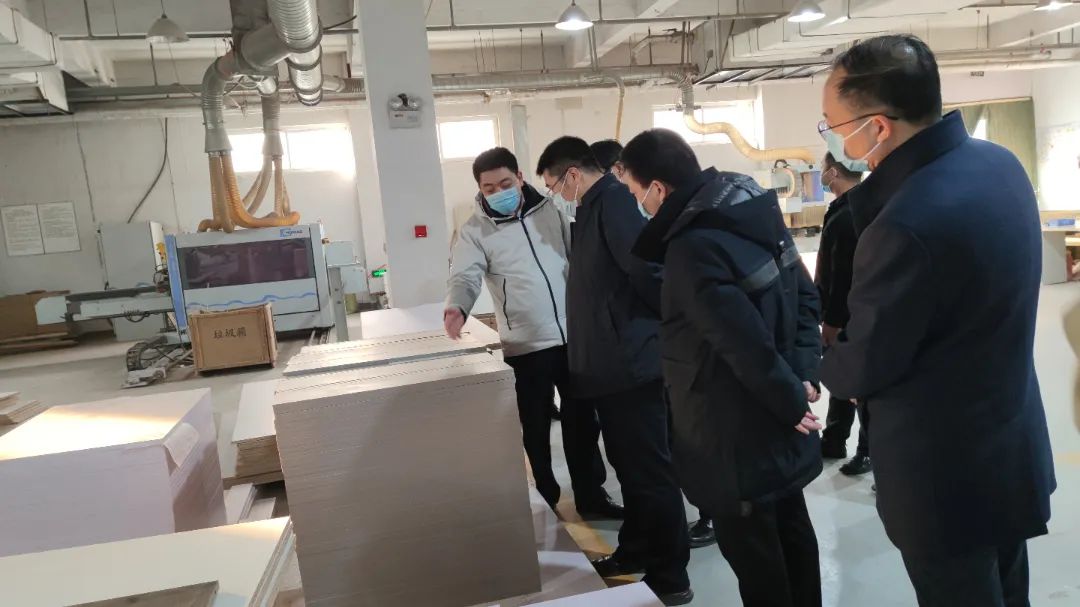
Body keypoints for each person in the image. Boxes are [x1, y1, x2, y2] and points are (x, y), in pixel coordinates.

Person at [819, 35, 1055, 606]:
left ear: (878, 127)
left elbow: (864, 366)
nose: (831, 138)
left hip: (943, 476)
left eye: (833, 125)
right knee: (1009, 590)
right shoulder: (999, 164)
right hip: (1009, 443)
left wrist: (815, 356)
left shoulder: (904, 224)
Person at [624, 128, 824, 607]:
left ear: (658, 189)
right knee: (792, 533)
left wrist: (789, 398)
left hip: (730, 431)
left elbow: (739, 341)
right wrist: (801, 374)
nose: (638, 204)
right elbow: (804, 295)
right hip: (777, 414)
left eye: (635, 193)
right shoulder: (752, 209)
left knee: (758, 560)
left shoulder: (692, 246)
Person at [536, 136, 692, 607]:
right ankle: (636, 550)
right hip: (610, 367)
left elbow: (647, 273)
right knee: (631, 470)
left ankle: (671, 575)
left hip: (632, 366)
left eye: (554, 185)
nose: (556, 195)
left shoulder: (614, 204)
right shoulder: (591, 208)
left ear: (573, 174)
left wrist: (647, 334)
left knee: (650, 473)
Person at [445, 147, 623, 519]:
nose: (499, 192)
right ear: (480, 189)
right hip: (525, 344)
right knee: (536, 427)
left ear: (520, 178)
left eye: (505, 183)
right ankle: (546, 498)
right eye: (489, 188)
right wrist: (458, 306)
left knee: (583, 423)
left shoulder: (551, 210)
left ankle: (591, 497)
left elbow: (579, 256)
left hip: (574, 337)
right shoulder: (475, 231)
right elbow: (465, 276)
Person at [590, 139, 717, 547]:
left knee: (683, 445)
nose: (629, 195)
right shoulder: (658, 219)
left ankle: (708, 516)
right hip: (669, 351)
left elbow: (654, 278)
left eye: (629, 185)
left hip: (678, 355)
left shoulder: (692, 229)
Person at [816, 153, 872, 477]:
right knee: (841, 376)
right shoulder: (848, 207)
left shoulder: (849, 215)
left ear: (834, 172)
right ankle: (834, 439)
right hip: (846, 311)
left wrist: (832, 321)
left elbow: (842, 276)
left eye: (823, 169)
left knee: (858, 385)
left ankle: (866, 451)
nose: (821, 174)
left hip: (848, 314)